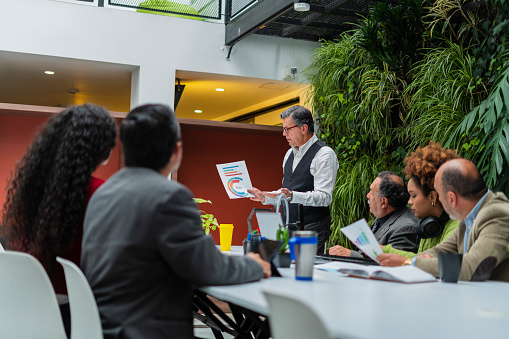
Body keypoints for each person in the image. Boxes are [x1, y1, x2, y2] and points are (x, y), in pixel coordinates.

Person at [81, 104, 271, 339]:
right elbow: (207, 268)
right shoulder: (170, 196)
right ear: (176, 151)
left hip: (103, 329)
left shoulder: (103, 194)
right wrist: (253, 264)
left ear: (125, 148)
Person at [0, 103, 117, 294]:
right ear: (101, 148)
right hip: (81, 305)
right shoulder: (103, 193)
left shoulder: (35, 189)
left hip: (36, 298)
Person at [248, 105, 339, 254]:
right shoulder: (289, 154)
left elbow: (324, 197)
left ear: (303, 129)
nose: (284, 134)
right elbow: (286, 191)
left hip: (311, 229)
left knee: (305, 273)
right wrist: (265, 197)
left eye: (287, 129)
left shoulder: (324, 154)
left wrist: (292, 196)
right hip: (286, 227)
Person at [403, 158, 509, 281]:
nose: (439, 201)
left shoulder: (497, 215)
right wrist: (420, 259)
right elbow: (441, 250)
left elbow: (474, 268)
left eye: (440, 196)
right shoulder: (468, 217)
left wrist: (411, 262)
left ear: (451, 198)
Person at [377, 142, 459, 266]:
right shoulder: (430, 226)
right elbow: (422, 258)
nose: (409, 202)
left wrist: (387, 252)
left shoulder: (457, 227)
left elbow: (438, 264)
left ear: (432, 196)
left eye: (413, 195)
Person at [329, 172, 418, 258]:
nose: (367, 195)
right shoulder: (386, 214)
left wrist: (350, 255)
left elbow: (394, 263)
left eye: (371, 192)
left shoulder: (406, 227)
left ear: (384, 202)